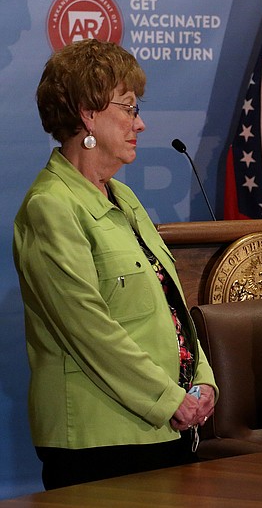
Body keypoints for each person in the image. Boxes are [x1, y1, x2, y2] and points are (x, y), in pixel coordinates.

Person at [13, 39, 217, 489]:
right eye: (127, 108)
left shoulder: (123, 197)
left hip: (166, 427)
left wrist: (202, 380)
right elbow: (90, 330)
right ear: (87, 113)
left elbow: (170, 303)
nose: (139, 123)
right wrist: (170, 400)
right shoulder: (50, 206)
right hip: (100, 443)